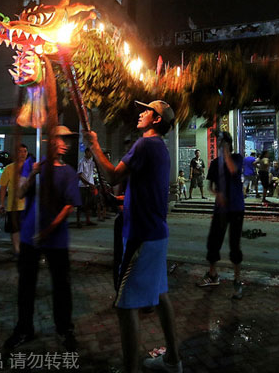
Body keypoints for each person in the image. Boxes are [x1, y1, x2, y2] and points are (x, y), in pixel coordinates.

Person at [83, 100, 182, 373]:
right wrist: (121, 200)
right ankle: (173, 360)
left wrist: (94, 145)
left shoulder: (145, 144)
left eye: (147, 110)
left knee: (125, 306)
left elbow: (113, 174)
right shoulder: (160, 149)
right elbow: (148, 192)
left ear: (157, 120)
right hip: (156, 233)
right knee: (161, 295)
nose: (141, 113)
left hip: (141, 236)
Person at [3, 126, 81, 352]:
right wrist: (34, 174)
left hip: (56, 240)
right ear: (50, 141)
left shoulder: (68, 172)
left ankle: (64, 328)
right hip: (29, 236)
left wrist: (49, 230)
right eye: (62, 138)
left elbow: (69, 206)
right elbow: (19, 193)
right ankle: (24, 328)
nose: (66, 143)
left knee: (62, 285)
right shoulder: (33, 165)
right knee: (26, 285)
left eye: (68, 139)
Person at [196, 132, 245, 300]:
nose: (220, 145)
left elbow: (233, 170)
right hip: (220, 209)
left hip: (236, 207)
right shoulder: (215, 163)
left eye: (223, 143)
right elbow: (210, 186)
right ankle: (212, 274)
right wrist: (217, 194)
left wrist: (226, 153)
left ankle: (237, 279)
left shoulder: (237, 158)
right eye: (219, 143)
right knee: (213, 241)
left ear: (229, 144)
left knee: (234, 243)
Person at [0, 143, 28, 255]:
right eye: (20, 151)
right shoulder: (9, 168)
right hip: (13, 205)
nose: (22, 154)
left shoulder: (30, 167)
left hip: (27, 205)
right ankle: (17, 250)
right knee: (15, 229)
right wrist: (1, 203)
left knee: (26, 229)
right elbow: (3, 187)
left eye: (24, 151)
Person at [76, 148, 97, 227]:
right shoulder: (82, 162)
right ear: (86, 152)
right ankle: (78, 221)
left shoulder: (91, 162)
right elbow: (79, 175)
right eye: (90, 152)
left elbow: (93, 172)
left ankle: (87, 220)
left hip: (90, 185)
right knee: (80, 204)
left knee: (89, 204)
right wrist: (88, 183)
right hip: (82, 186)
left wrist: (91, 184)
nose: (91, 154)